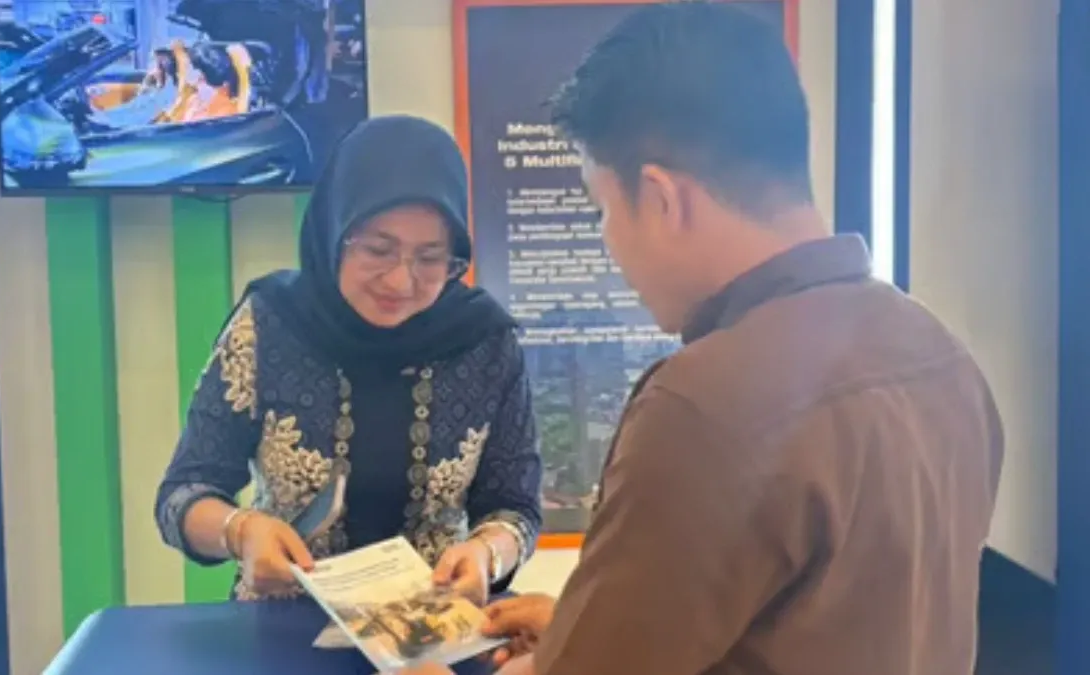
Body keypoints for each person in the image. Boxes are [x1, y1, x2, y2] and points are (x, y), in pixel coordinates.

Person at [400, 3, 1003, 675]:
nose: (608, 243)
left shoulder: (703, 404)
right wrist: (579, 629)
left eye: (603, 210)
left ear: (662, 199)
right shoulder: (942, 355)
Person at [155, 115, 543, 605]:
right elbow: (184, 493)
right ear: (333, 233)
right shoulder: (270, 324)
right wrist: (241, 532)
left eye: (430, 258)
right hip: (285, 620)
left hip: (431, 624)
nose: (400, 281)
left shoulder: (484, 341)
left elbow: (515, 506)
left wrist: (488, 556)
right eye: (378, 250)